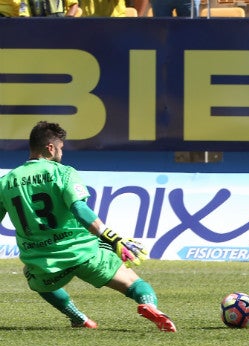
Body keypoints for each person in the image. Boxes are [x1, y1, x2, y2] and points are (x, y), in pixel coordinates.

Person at [0, 121, 177, 332]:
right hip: (84, 252)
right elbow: (79, 209)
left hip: (43, 259)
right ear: (50, 148)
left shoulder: (5, 182)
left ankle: (78, 317)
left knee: (33, 278)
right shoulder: (63, 173)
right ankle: (149, 305)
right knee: (134, 284)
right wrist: (112, 238)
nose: (61, 153)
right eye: (61, 148)